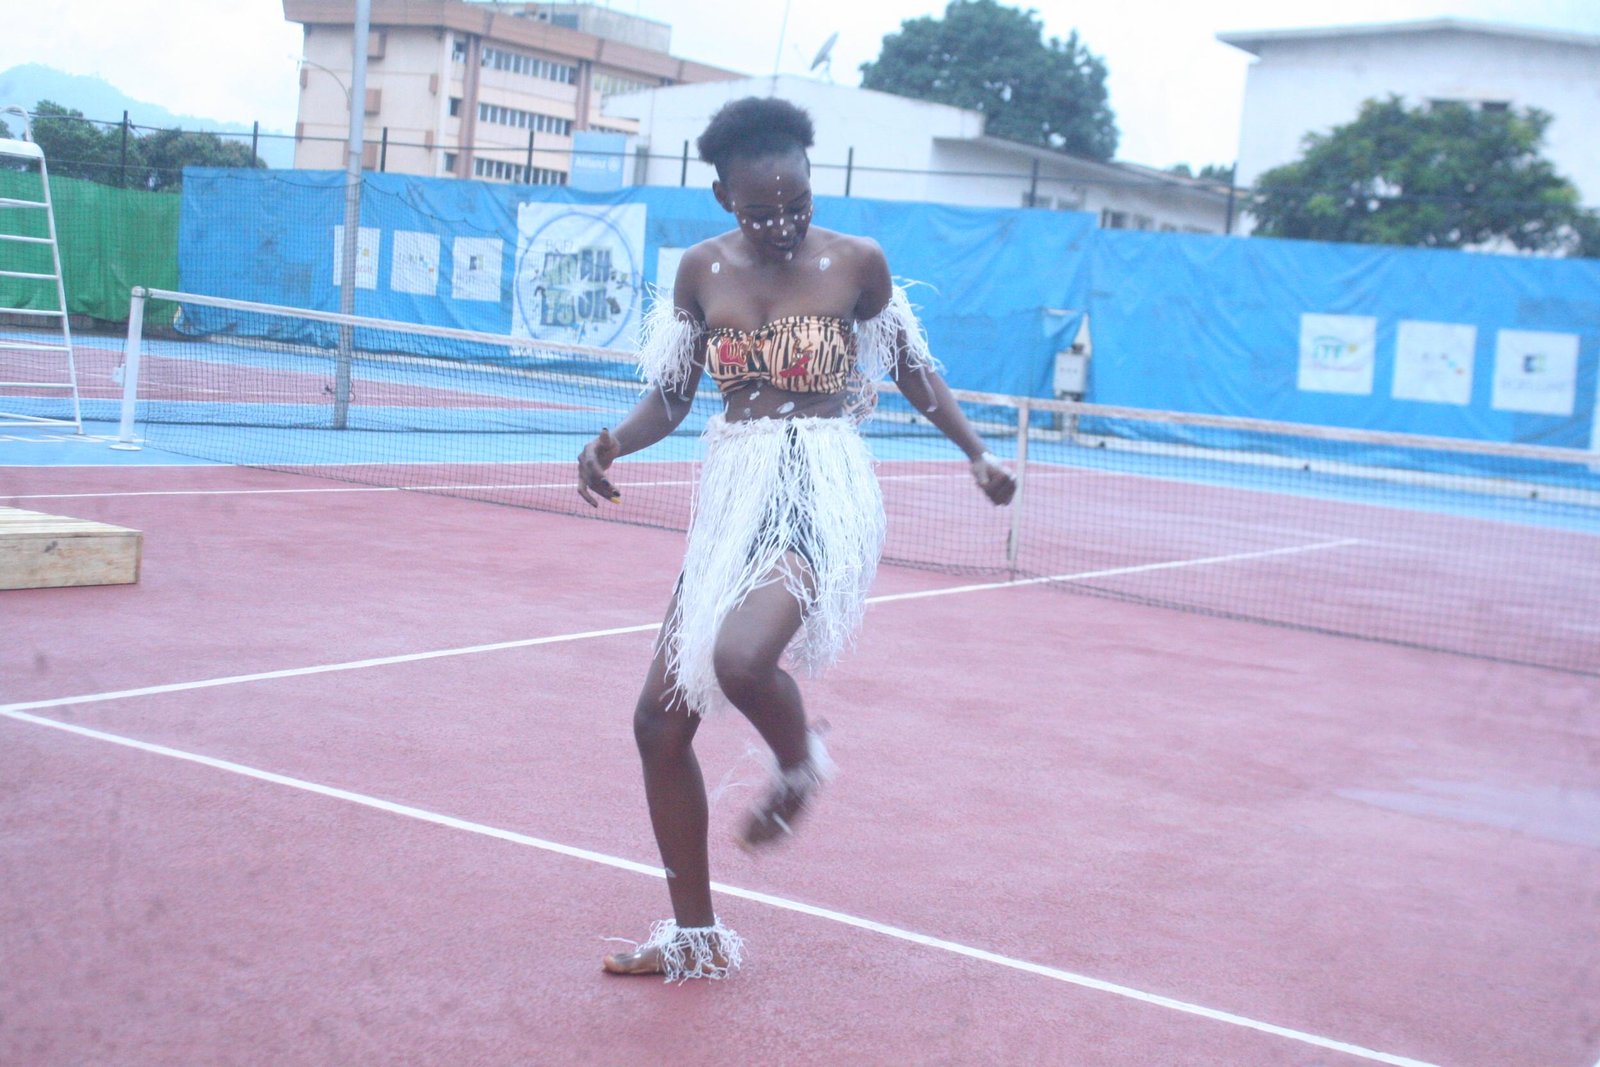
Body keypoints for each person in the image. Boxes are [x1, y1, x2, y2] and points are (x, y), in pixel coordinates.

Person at [578, 97, 1015, 981]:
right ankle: (695, 938)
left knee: (742, 660)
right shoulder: (701, 271)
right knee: (659, 722)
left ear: (814, 184)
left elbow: (910, 366)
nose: (780, 224)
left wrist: (977, 452)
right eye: (759, 210)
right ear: (721, 197)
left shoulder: (856, 262)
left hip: (819, 485)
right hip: (734, 494)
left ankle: (800, 760)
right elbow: (673, 395)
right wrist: (613, 440)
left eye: (796, 204)